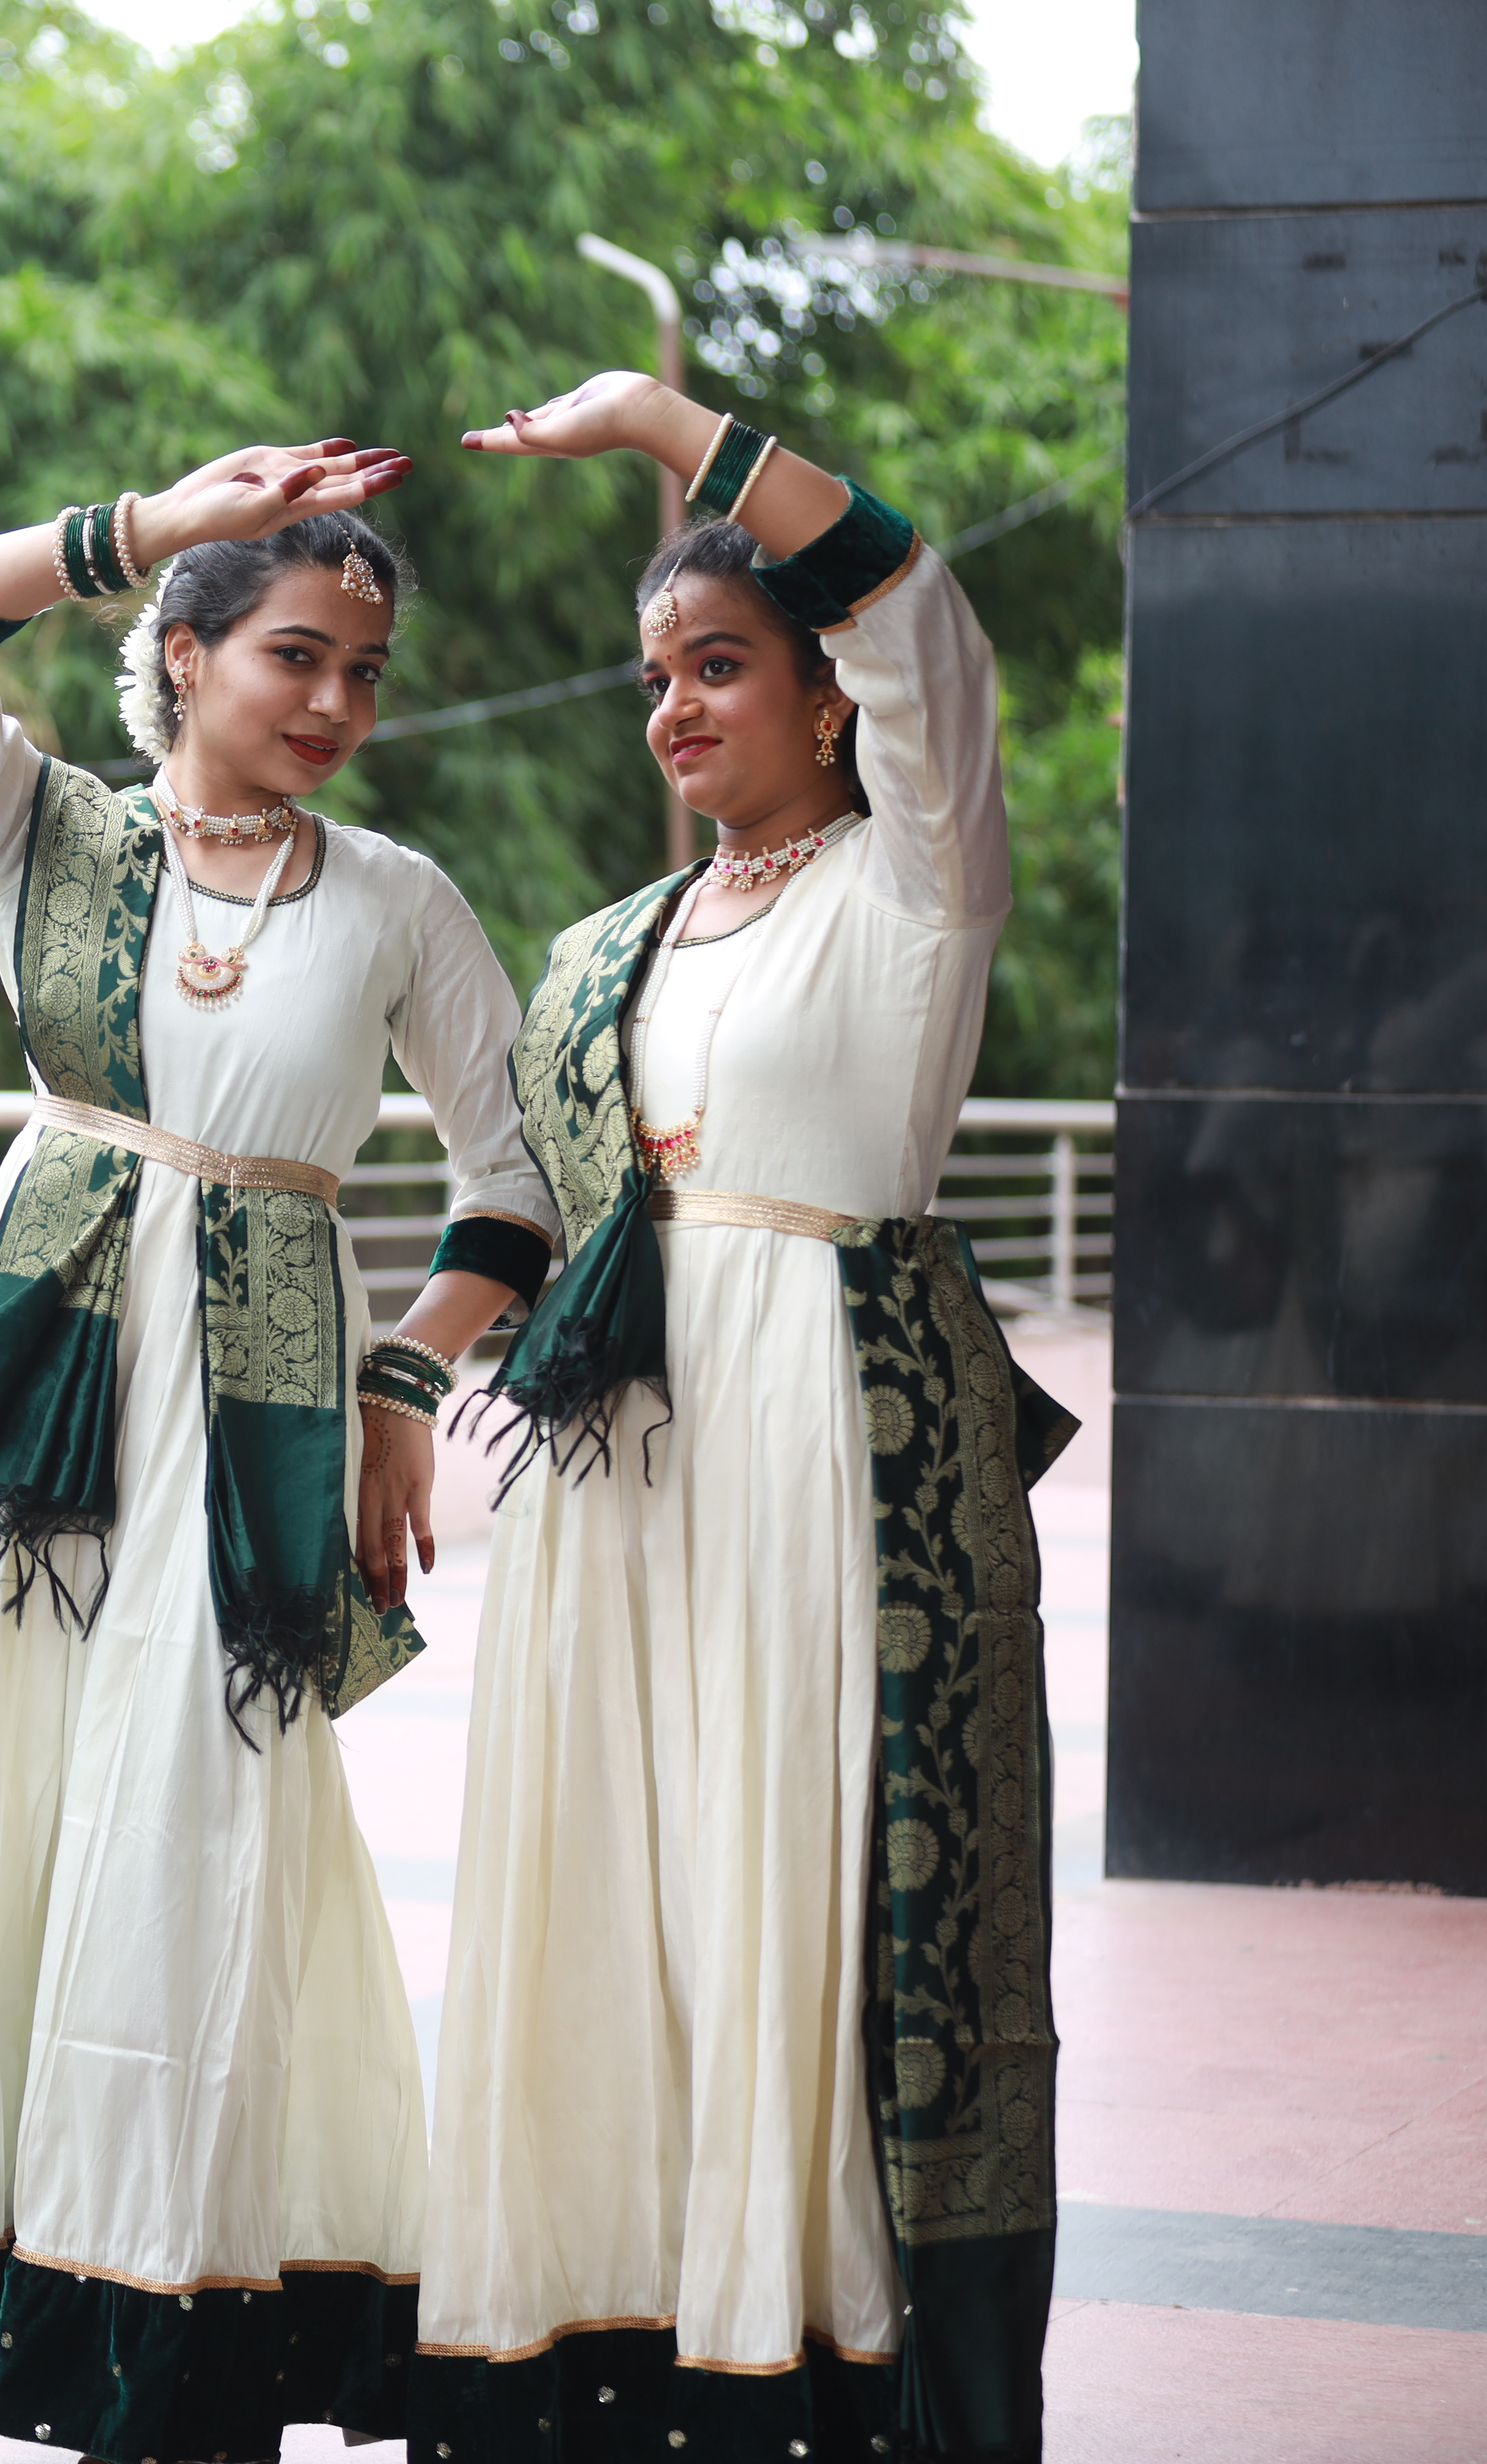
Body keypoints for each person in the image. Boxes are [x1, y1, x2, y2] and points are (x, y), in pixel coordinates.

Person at [0, 446, 561, 2460]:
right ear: (183, 653)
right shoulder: (46, 830)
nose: (332, 705)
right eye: (293, 656)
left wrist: (409, 1387)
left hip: (261, 1393)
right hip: (52, 1381)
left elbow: (515, 1178)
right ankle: (26, 2290)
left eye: (365, 673)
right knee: (18, 1801)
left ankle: (181, 2315)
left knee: (199, 1823)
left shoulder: (399, 901)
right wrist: (146, 517)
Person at [414, 373, 1071, 2463]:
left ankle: (814, 2342)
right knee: (634, 1873)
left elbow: (930, 613)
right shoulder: (610, 942)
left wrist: (658, 425)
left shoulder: (918, 883)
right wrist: (400, 1385)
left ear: (827, 698)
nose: (678, 711)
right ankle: (621, 2340)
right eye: (656, 679)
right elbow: (532, 1210)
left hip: (829, 1448)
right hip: (629, 1466)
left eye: (722, 668)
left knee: (809, 1869)